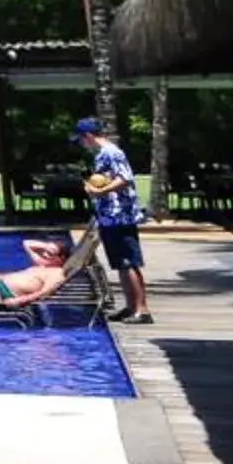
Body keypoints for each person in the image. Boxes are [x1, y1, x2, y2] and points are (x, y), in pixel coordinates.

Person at [78, 117, 151, 323]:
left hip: (121, 216)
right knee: (120, 264)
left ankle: (142, 310)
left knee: (129, 262)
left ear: (89, 136)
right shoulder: (104, 154)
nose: (83, 145)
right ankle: (130, 306)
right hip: (110, 217)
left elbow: (125, 178)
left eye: (82, 140)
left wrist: (100, 192)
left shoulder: (112, 152)